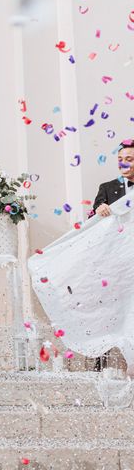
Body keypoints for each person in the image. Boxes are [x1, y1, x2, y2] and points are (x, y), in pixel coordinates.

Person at [91, 139, 134, 372]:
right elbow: (93, 218)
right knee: (109, 311)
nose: (124, 164)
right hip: (116, 262)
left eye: (129, 159)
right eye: (121, 160)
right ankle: (101, 364)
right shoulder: (108, 188)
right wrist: (99, 209)